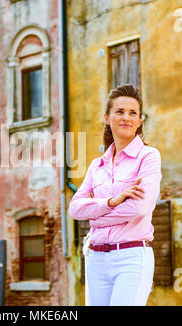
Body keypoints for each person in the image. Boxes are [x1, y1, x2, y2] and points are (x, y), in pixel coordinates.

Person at [69, 84, 162, 306]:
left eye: (133, 113)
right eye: (119, 112)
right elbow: (75, 208)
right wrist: (112, 201)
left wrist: (95, 215)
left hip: (131, 258)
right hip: (96, 260)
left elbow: (137, 208)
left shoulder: (148, 157)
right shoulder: (96, 165)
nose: (126, 118)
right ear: (107, 118)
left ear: (140, 121)